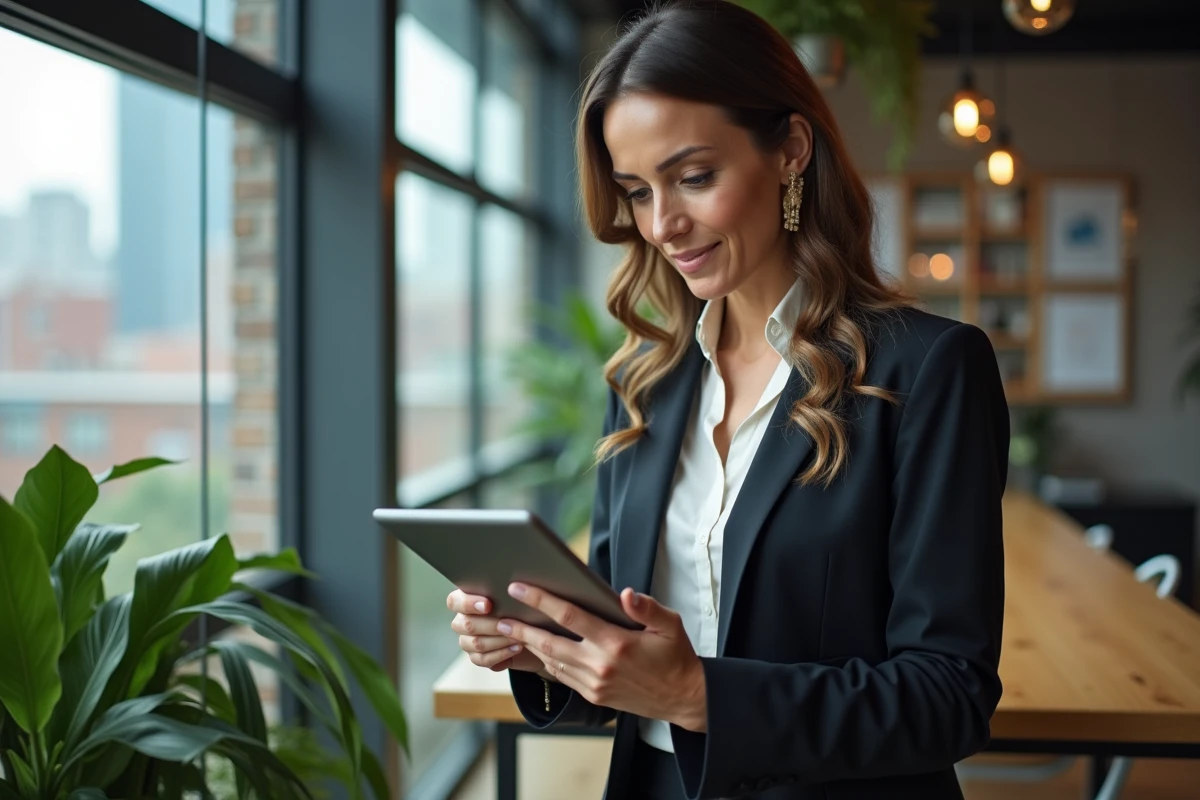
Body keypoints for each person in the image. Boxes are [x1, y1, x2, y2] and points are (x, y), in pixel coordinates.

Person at [446, 1, 1009, 797]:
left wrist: (698, 695)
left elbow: (948, 697)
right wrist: (541, 642)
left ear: (790, 149)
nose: (664, 224)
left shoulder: (929, 370)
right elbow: (621, 662)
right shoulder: (643, 382)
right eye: (637, 191)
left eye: (695, 177)